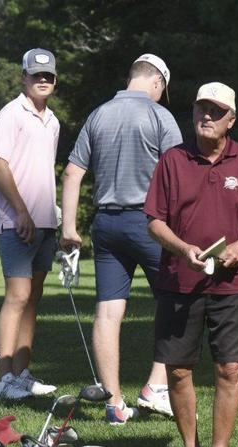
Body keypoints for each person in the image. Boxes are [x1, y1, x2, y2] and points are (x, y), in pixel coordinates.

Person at [144, 82, 238, 447]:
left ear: (231, 120)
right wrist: (184, 249)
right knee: (179, 370)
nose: (206, 116)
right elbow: (154, 220)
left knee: (229, 367)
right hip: (179, 280)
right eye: (202, 108)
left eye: (216, 111)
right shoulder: (172, 160)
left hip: (234, 282)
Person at [60, 53, 183, 424]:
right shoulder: (160, 116)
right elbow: (178, 178)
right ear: (158, 84)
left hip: (106, 226)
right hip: (149, 224)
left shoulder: (98, 115)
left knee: (109, 311)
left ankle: (114, 404)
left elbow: (71, 173)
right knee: (178, 301)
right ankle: (156, 386)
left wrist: (68, 228)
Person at [0, 48, 60, 399]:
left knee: (34, 298)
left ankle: (22, 374)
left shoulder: (53, 121)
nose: (42, 80)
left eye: (49, 76)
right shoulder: (10, 114)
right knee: (18, 297)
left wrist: (49, 215)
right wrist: (23, 213)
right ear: (23, 78)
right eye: (36, 75)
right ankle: (2, 380)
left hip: (44, 223)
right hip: (16, 222)